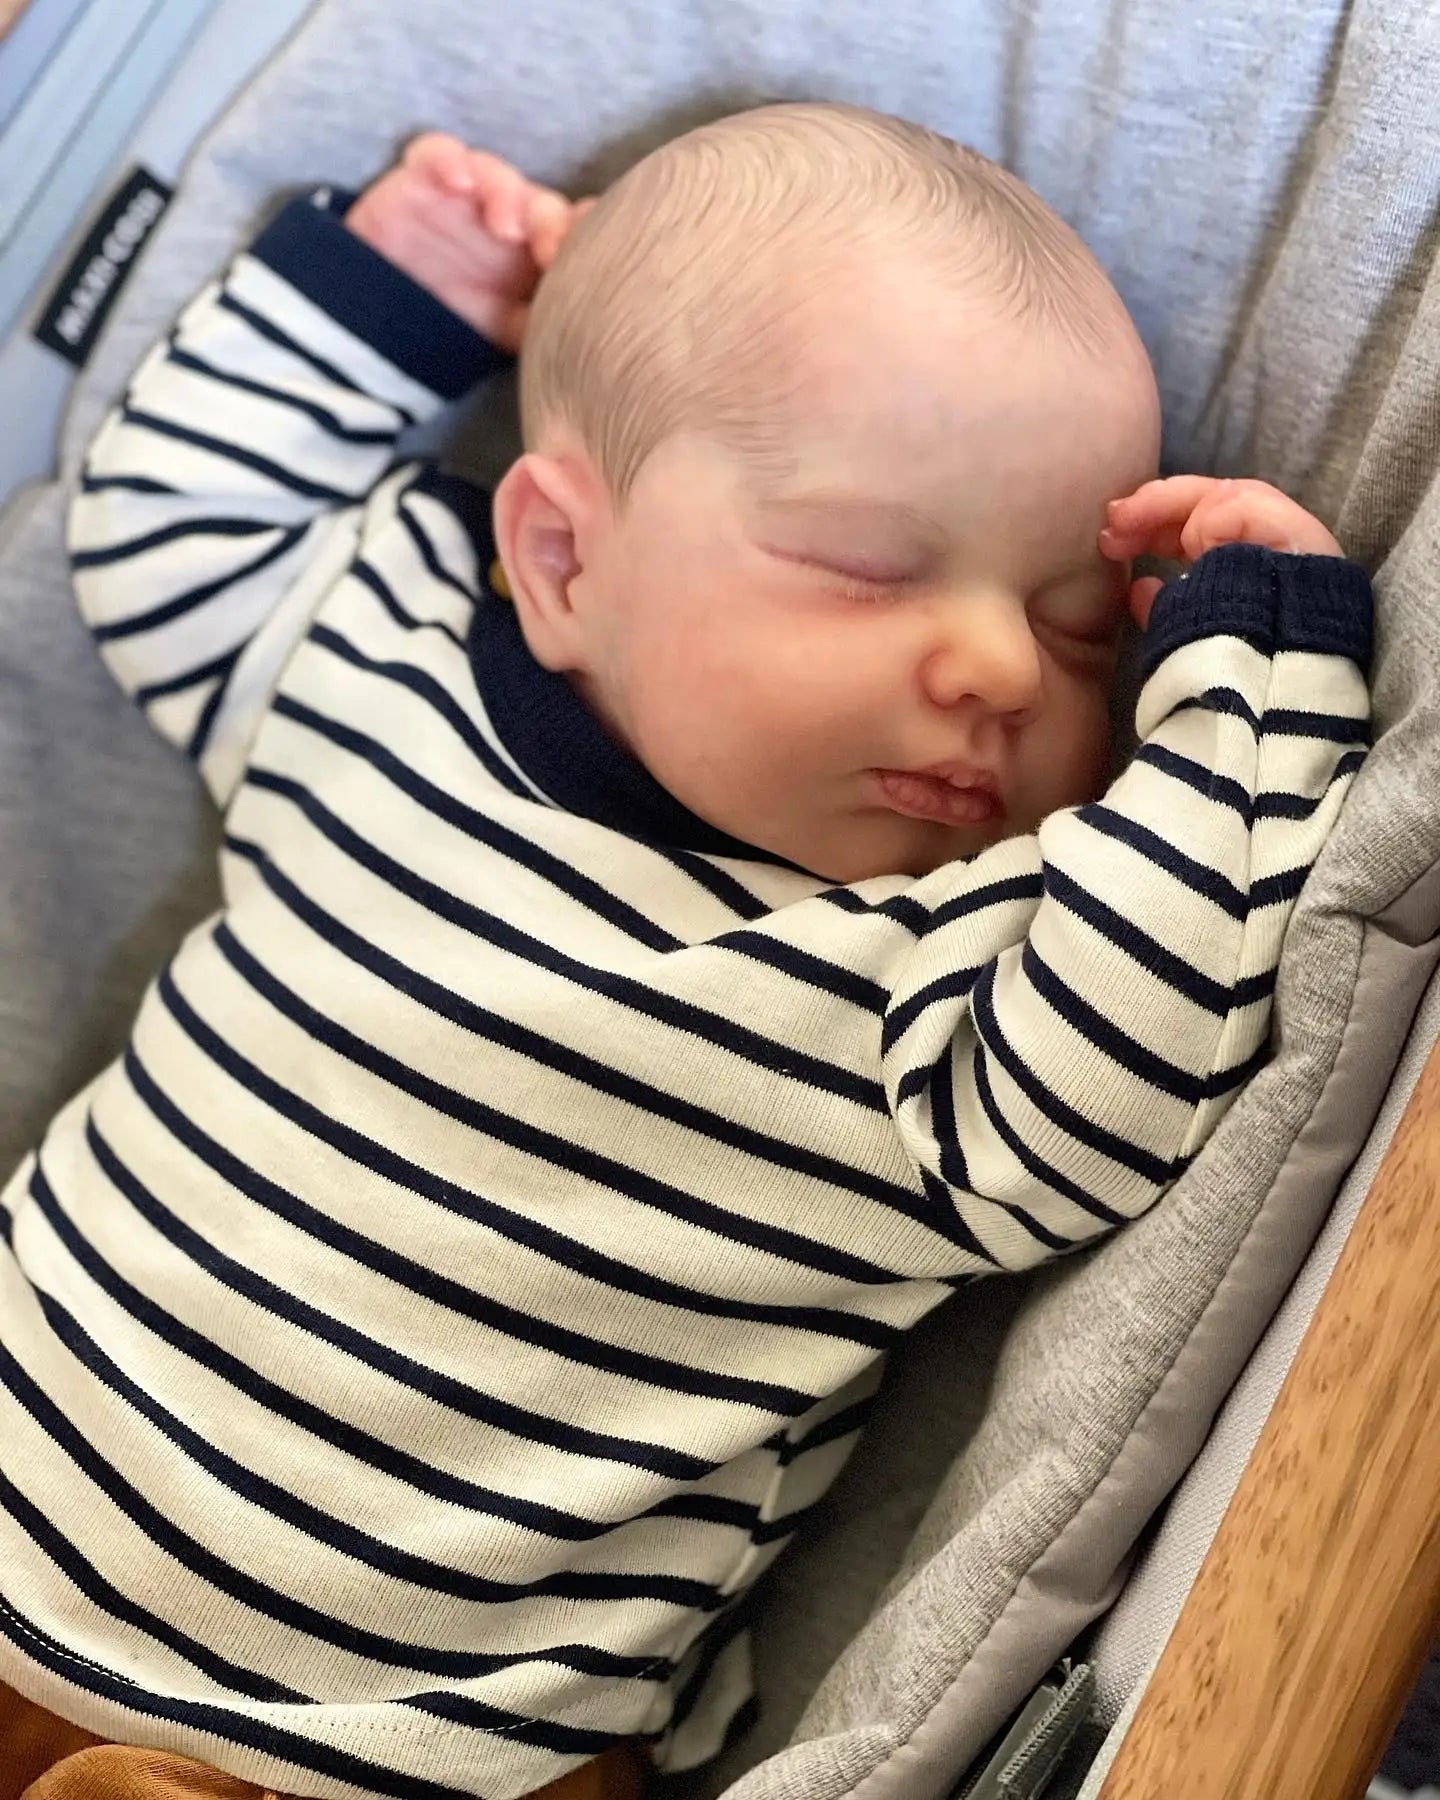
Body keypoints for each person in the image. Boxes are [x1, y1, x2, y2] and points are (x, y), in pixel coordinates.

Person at [0, 102, 1371, 1800]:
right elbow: (165, 526)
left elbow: (1126, 1080)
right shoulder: (384, 668)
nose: (1003, 671)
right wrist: (392, 292)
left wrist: (1249, 679)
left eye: (1078, 626)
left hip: (391, 1752)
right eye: (868, 567)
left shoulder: (930, 971)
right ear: (561, 558)